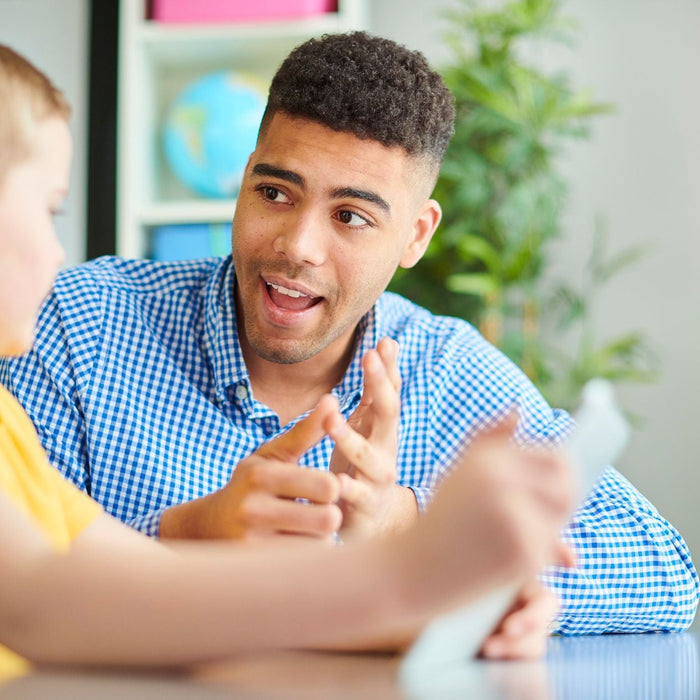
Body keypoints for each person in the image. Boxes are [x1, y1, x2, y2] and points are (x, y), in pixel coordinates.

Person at [0, 32, 697, 638]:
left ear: (415, 236)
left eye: (351, 217)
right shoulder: (75, 324)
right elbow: (25, 582)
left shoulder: (450, 371)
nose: (297, 246)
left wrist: (418, 536)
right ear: (243, 180)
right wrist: (191, 532)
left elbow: (665, 567)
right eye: (275, 193)